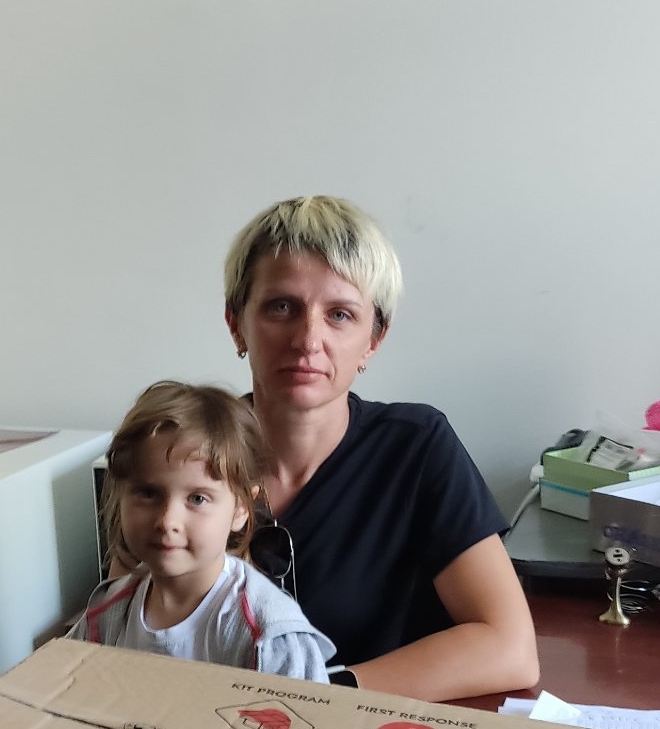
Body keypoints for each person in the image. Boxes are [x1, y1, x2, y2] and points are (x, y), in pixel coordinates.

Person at [223, 196, 539, 701]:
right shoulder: (189, 453)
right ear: (236, 322)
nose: (308, 340)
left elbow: (510, 648)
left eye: (340, 315)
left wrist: (320, 695)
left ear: (373, 340)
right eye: (282, 307)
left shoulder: (416, 446)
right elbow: (130, 631)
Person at [69, 381, 334, 681]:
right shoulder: (107, 614)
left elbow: (303, 710)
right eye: (148, 493)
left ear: (241, 509)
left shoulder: (269, 636)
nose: (168, 521)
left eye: (197, 499)